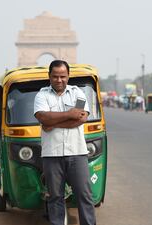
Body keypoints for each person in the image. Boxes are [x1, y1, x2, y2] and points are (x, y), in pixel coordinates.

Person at [34, 60, 96, 225]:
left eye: (63, 76)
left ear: (68, 76)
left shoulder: (78, 93)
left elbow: (80, 119)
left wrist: (51, 122)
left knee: (85, 195)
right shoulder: (42, 95)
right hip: (51, 154)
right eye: (55, 76)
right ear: (49, 76)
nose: (59, 80)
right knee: (55, 197)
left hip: (77, 152)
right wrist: (69, 114)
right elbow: (42, 117)